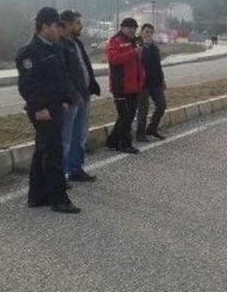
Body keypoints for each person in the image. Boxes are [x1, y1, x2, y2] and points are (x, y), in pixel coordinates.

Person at [15, 7, 81, 214]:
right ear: (44, 26)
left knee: (42, 151)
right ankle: (59, 199)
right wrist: (40, 108)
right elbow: (27, 85)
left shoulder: (54, 48)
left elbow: (59, 78)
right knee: (53, 153)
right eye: (55, 26)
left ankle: (36, 196)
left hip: (55, 106)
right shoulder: (29, 52)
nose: (57, 30)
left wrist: (63, 99)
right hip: (43, 110)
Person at [59, 10, 100, 182]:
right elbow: (63, 75)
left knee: (80, 135)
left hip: (83, 95)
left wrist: (92, 84)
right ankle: (59, 176)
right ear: (67, 24)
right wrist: (71, 95)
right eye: (77, 23)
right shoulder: (60, 45)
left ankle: (75, 169)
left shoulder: (77, 43)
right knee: (65, 138)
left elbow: (85, 66)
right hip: (70, 99)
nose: (81, 26)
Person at [104, 17, 145, 154]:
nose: (132, 30)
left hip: (133, 85)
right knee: (125, 116)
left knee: (128, 115)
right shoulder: (115, 41)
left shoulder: (134, 41)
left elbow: (138, 63)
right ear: (122, 27)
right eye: (128, 27)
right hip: (120, 86)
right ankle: (125, 144)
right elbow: (113, 59)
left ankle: (112, 141)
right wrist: (133, 52)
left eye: (134, 27)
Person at [135, 23, 167, 142]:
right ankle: (140, 134)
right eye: (146, 31)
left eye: (150, 32)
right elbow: (138, 61)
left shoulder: (154, 47)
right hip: (142, 83)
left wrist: (162, 79)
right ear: (141, 32)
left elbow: (158, 65)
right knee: (143, 109)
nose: (148, 34)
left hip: (155, 82)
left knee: (162, 105)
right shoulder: (137, 45)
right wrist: (144, 48)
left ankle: (152, 128)